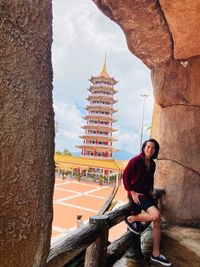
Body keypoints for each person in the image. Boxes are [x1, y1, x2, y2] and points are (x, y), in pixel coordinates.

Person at [123, 139, 172, 267]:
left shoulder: (152, 164)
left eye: (153, 148)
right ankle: (132, 218)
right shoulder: (135, 160)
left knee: (157, 220)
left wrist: (151, 190)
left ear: (155, 151)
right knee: (156, 215)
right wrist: (132, 192)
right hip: (137, 194)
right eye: (148, 147)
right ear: (144, 148)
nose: (150, 150)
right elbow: (125, 176)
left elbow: (150, 179)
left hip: (146, 194)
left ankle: (156, 254)